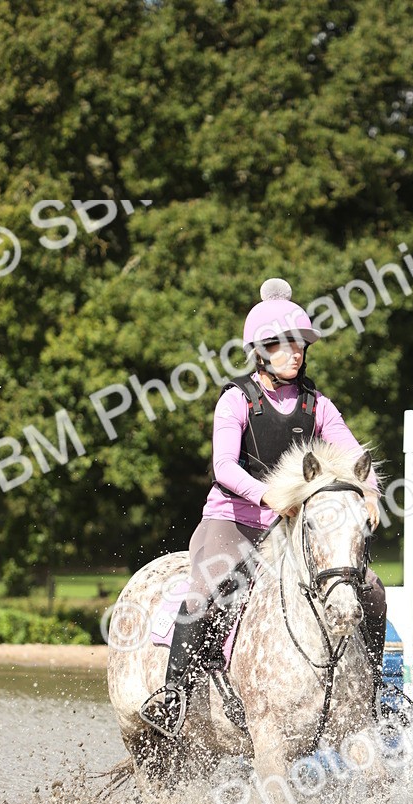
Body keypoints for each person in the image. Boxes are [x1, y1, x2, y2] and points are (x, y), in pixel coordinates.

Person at [140, 277, 387, 737]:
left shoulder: (318, 405)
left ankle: (373, 694)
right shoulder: (236, 400)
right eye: (284, 345)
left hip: (290, 529)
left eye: (300, 345)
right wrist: (265, 495)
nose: (296, 354)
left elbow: (354, 456)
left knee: (369, 588)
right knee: (205, 592)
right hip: (233, 521)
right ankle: (172, 695)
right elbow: (223, 467)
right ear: (261, 351)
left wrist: (369, 491)